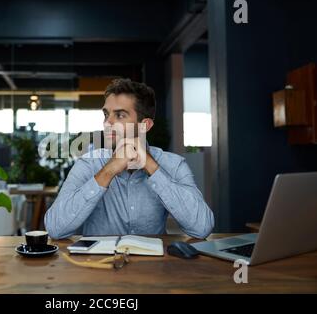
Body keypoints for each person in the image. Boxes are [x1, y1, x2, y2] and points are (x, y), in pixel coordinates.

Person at [45, 78, 214, 239]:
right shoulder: (88, 164)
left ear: (144, 125)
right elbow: (54, 228)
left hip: (153, 267)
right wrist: (108, 171)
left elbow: (202, 228)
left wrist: (151, 166)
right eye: (106, 114)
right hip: (97, 266)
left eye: (119, 115)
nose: (107, 122)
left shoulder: (173, 164)